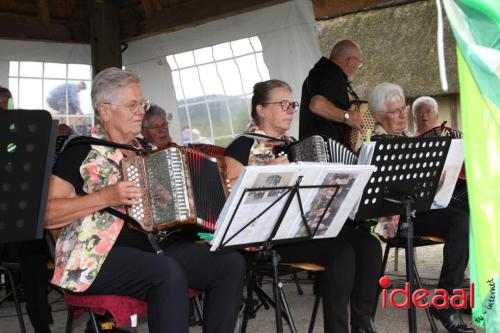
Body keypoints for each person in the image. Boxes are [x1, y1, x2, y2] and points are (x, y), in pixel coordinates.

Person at [44, 67, 245, 333]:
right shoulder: (80, 150)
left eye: (142, 103)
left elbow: (172, 206)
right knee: (166, 270)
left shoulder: (148, 152)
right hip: (97, 256)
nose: (141, 110)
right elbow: (48, 215)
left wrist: (215, 194)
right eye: (132, 105)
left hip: (154, 246)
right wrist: (106, 196)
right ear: (105, 110)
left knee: (228, 263)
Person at [224, 79, 381, 333]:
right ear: (261, 109)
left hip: (306, 225)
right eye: (282, 104)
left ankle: (363, 324)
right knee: (340, 253)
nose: (291, 109)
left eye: (292, 104)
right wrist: (264, 172)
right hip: (270, 235)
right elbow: (228, 194)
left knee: (369, 245)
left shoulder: (295, 144)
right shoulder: (242, 146)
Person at [367, 82, 475, 333]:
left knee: (472, 212)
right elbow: (380, 202)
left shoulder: (411, 139)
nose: (403, 115)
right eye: (395, 112)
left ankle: (464, 293)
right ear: (379, 116)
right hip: (400, 219)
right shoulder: (375, 146)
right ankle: (446, 302)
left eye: (403, 108)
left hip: (422, 209)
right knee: (461, 221)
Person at [0, 86, 54, 333]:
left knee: (33, 248)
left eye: (6, 104)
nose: (3, 108)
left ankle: (42, 325)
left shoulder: (19, 139)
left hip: (15, 224)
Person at [299, 39, 363, 141]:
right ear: (350, 61)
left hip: (313, 146)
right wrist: (347, 117)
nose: (357, 68)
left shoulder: (321, 73)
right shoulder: (333, 74)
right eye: (358, 63)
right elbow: (317, 105)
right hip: (324, 149)